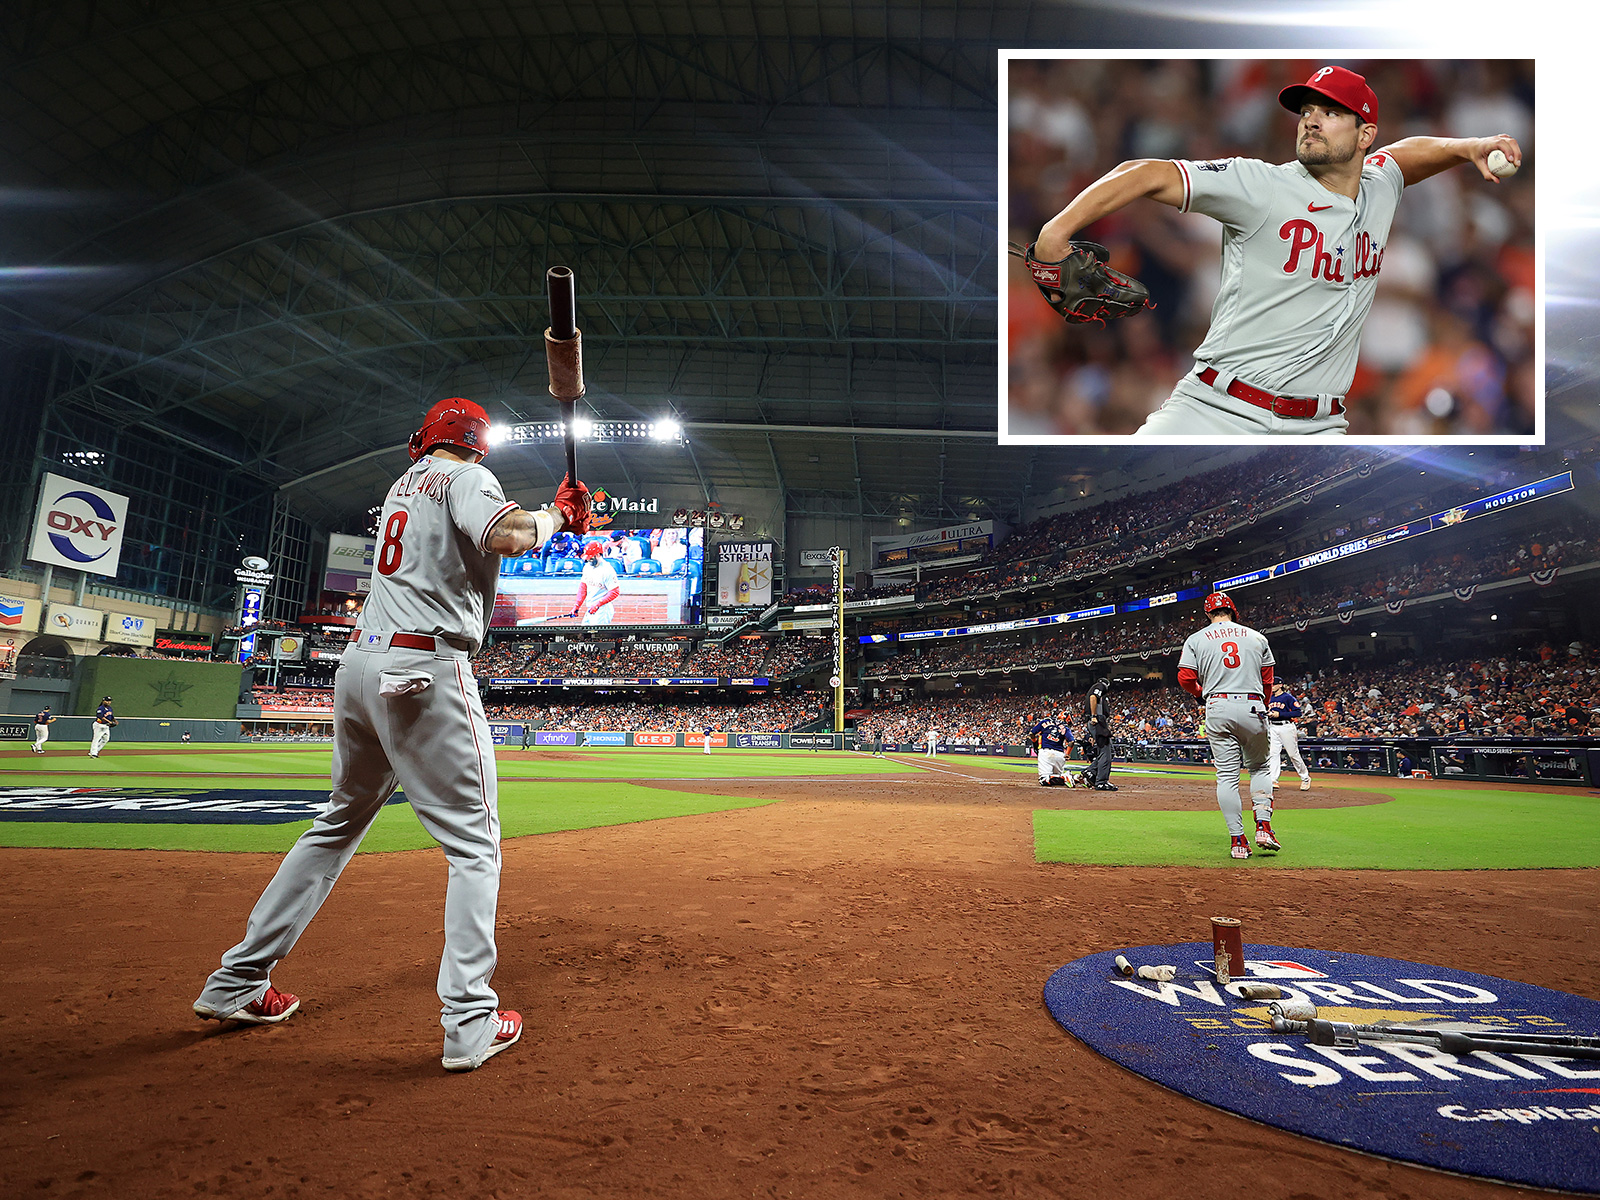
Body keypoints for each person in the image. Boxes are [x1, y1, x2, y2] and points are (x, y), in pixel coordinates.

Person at [194, 396, 591, 1073]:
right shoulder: (468, 478)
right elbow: (507, 535)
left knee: (337, 823)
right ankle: (469, 1020)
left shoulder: (403, 483)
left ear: (425, 440)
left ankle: (237, 983)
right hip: (425, 667)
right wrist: (558, 515)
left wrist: (548, 514)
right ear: (477, 444)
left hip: (359, 666)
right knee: (475, 845)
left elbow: (479, 533)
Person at [1029, 65, 1525, 436]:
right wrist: (1054, 235)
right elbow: (1145, 172)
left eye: (1330, 112)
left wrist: (1466, 146)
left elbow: (1405, 156)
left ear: (1365, 136)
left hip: (1319, 428)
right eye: (1306, 111)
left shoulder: (1379, 186)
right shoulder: (1260, 185)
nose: (1311, 121)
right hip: (1215, 411)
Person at [1178, 591, 1278, 860]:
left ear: (1208, 614)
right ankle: (1264, 828)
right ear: (1233, 610)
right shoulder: (1257, 637)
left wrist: (1201, 692)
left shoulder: (1196, 638)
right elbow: (1267, 680)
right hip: (1252, 705)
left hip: (1218, 705)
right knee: (1259, 767)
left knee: (1226, 777)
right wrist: (1263, 705)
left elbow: (1185, 677)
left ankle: (1237, 841)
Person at [1266, 680, 1313, 792]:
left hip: (1286, 726)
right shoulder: (1269, 698)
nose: (1272, 686)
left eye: (1274, 684)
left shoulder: (1288, 697)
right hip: (1273, 726)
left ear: (1280, 685)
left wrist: (1280, 714)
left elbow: (1298, 712)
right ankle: (1273, 779)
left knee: (1293, 754)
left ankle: (1305, 778)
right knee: (1273, 753)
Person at [569, 541, 621, 625]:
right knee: (583, 632)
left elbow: (615, 592)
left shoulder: (607, 570)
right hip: (590, 607)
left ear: (598, 555)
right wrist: (577, 605)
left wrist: (598, 604)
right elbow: (583, 587)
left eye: (591, 557)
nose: (588, 559)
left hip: (602, 609)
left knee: (596, 635)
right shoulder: (587, 567)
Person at [1081, 676, 1116, 790]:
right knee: (1105, 752)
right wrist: (1094, 716)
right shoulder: (1099, 686)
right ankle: (1101, 781)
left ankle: (1090, 772)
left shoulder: (1096, 689)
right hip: (1098, 721)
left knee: (1110, 751)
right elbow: (1093, 697)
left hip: (1098, 722)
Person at [1031, 709, 1072, 787]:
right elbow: (1071, 742)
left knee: (1044, 779)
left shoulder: (1045, 721)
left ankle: (1064, 777)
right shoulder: (1065, 728)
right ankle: (1071, 777)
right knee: (1056, 779)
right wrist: (1067, 754)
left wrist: (1035, 743)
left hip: (1046, 752)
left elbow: (1032, 734)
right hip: (1060, 755)